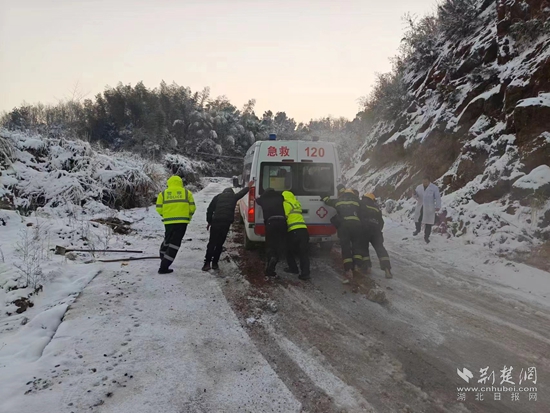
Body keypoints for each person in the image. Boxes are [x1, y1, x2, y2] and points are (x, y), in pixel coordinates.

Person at [203, 181, 252, 271]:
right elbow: (241, 193)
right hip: (225, 223)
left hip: (216, 222)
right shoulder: (233, 197)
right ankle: (215, 264)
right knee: (219, 243)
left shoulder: (217, 197)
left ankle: (206, 263)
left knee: (212, 243)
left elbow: (209, 210)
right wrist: (248, 187)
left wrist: (209, 221)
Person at [322, 184, 366, 283]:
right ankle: (357, 266)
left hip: (344, 227)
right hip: (357, 226)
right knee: (357, 246)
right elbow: (364, 212)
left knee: (345, 247)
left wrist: (324, 195)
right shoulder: (357, 201)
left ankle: (348, 269)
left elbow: (328, 201)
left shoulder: (338, 201)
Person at [156, 175, 196, 274]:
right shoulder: (187, 193)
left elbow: (158, 208)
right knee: (175, 243)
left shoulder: (163, 194)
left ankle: (163, 255)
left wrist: (165, 215)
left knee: (168, 239)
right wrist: (188, 217)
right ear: (180, 183)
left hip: (168, 222)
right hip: (182, 222)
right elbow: (192, 208)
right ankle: (164, 267)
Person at [359, 193, 392, 279]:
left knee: (363, 248)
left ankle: (366, 267)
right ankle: (387, 269)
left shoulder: (361, 204)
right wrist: (377, 230)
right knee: (380, 248)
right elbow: (381, 222)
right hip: (376, 231)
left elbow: (358, 217)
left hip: (364, 230)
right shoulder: (376, 208)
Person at [256, 188, 287, 277]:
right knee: (280, 243)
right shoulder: (280, 197)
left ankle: (272, 258)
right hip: (282, 222)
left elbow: (257, 200)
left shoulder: (263, 199)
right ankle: (275, 259)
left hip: (271, 222)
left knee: (270, 244)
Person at [282, 190, 310, 280]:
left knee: (288, 250)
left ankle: (293, 268)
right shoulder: (297, 203)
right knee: (304, 252)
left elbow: (284, 216)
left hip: (294, 230)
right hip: (304, 230)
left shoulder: (286, 204)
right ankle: (305, 273)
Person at [413, 176, 442, 243]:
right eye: (423, 182)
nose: (424, 183)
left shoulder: (434, 188)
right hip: (420, 206)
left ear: (429, 181)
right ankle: (417, 229)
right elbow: (416, 197)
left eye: (426, 182)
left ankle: (426, 237)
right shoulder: (419, 187)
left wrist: (438, 206)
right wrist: (414, 194)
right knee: (417, 219)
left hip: (429, 207)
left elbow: (437, 198)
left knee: (428, 223)